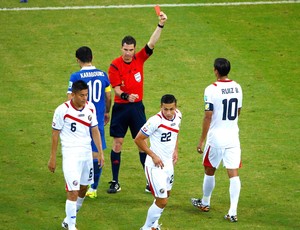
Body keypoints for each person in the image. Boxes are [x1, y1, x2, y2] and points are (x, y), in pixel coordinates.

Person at [107, 11, 168, 193]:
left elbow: (152, 43)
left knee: (142, 145)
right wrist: (126, 96)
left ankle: (150, 182)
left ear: (134, 49)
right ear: (121, 48)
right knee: (118, 143)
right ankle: (115, 181)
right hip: (121, 108)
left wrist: (161, 24)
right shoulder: (115, 65)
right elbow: (116, 89)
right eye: (125, 49)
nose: (128, 53)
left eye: (131, 50)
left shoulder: (139, 59)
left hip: (136, 109)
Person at [191, 58, 243, 222]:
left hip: (216, 138)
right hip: (233, 136)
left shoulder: (211, 89)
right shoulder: (237, 87)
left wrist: (201, 140)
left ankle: (205, 202)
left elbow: (208, 117)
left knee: (209, 170)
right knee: (233, 174)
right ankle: (232, 211)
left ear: (215, 70)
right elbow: (239, 110)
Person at [48, 80, 104, 230]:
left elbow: (95, 130)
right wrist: (52, 157)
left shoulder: (90, 107)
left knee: (83, 188)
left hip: (86, 153)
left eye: (86, 95)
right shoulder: (62, 110)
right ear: (72, 95)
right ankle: (72, 226)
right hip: (70, 154)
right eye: (81, 95)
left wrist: (100, 152)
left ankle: (68, 219)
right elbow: (55, 134)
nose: (85, 98)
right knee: (72, 191)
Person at [67, 46, 111, 198]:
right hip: (97, 120)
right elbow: (108, 96)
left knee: (78, 152)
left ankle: (78, 184)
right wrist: (106, 111)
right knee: (97, 153)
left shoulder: (75, 76)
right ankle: (93, 188)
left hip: (80, 122)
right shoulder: (103, 74)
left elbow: (69, 99)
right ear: (92, 58)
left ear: (78, 60)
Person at [135, 94, 182, 230]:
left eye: (171, 109)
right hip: (155, 166)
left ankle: (154, 225)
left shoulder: (178, 115)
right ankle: (146, 227)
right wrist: (153, 155)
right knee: (162, 200)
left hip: (168, 164)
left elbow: (175, 133)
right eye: (165, 109)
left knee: (166, 196)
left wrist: (175, 150)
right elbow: (138, 139)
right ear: (161, 106)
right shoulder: (154, 121)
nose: (168, 113)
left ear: (176, 107)